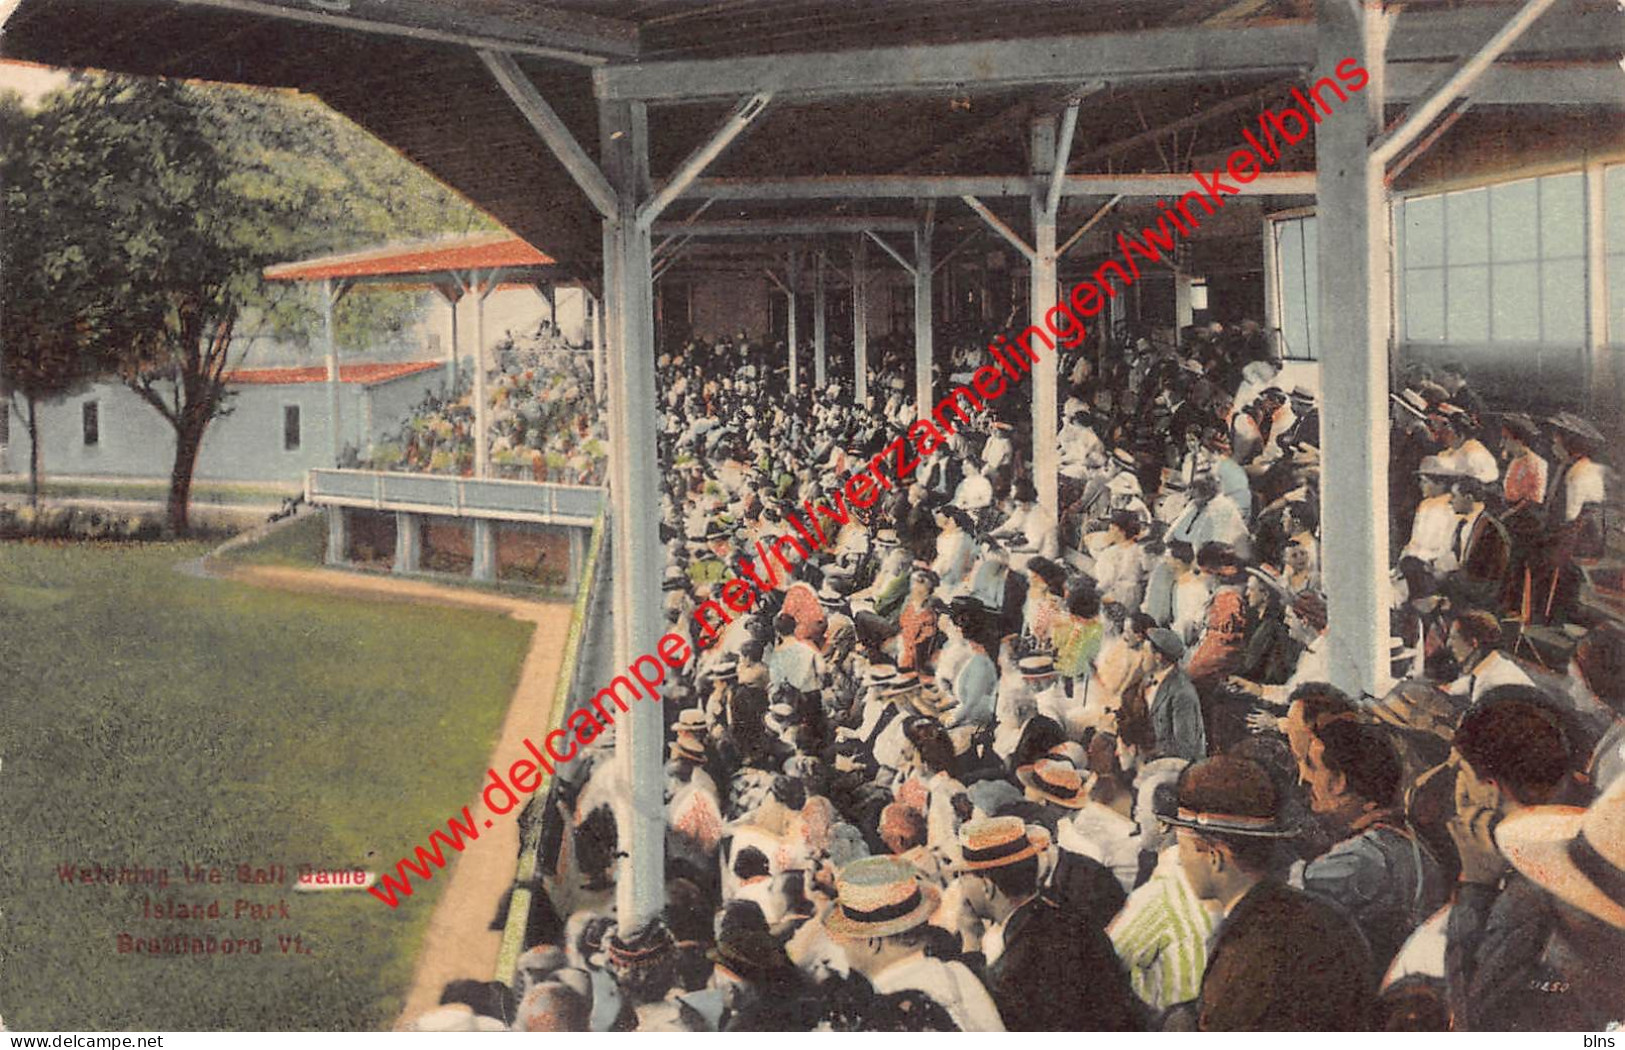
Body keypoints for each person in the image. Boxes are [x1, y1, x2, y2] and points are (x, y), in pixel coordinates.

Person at [1165, 755, 1375, 1030]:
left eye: (1183, 848)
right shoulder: (1327, 915)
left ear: (1215, 856)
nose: (1180, 861)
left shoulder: (1247, 947)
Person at [1291, 713, 1447, 979]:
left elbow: (1281, 893)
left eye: (1312, 766)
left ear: (1340, 781)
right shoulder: (1404, 840)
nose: (1304, 779)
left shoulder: (1364, 858)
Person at [956, 816, 1143, 1031]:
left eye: (964, 876)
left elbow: (980, 1016)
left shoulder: (1015, 965)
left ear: (987, 886)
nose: (960, 884)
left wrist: (971, 942)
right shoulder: (1076, 918)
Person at [825, 856, 1004, 1031]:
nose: (844, 948)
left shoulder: (883, 1016)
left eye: (847, 938)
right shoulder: (960, 973)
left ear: (872, 941)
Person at [1144, 628, 1206, 762]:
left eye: (1145, 652)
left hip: (1176, 767)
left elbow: (1184, 748)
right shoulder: (1148, 680)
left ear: (1158, 657)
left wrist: (1147, 754)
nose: (1141, 656)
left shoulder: (1182, 692)